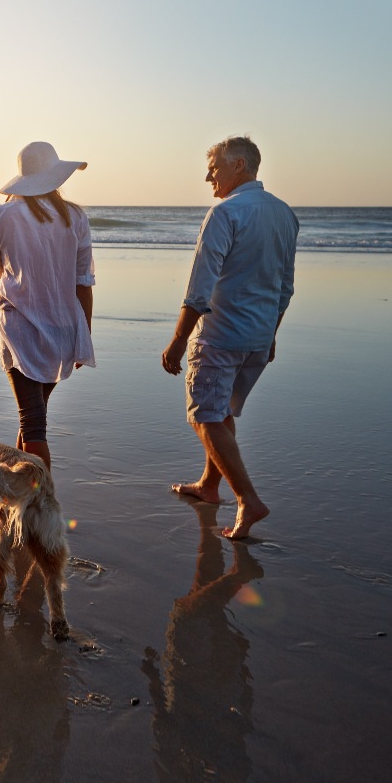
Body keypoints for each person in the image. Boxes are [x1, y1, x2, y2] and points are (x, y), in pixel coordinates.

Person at [162, 136, 299, 539]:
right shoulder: (284, 214)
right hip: (257, 337)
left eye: (215, 168)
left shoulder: (225, 213)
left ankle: (247, 500)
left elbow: (199, 288)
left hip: (221, 336)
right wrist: (270, 335)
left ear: (239, 165)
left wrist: (177, 339)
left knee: (204, 416)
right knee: (220, 412)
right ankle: (209, 486)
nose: (209, 176)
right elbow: (285, 286)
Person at [0, 141, 95, 471]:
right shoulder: (75, 216)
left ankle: (40, 508)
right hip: (63, 328)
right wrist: (83, 336)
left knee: (33, 426)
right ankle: (18, 501)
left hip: (21, 330)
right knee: (32, 417)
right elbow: (83, 282)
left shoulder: (0, 215)